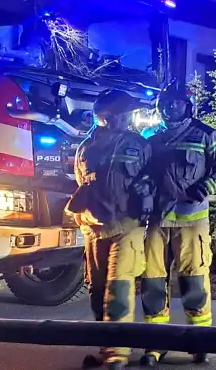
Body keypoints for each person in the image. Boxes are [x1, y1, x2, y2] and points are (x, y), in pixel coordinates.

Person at [140, 81, 216, 367]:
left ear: (187, 106)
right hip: (156, 221)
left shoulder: (206, 134)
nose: (172, 108)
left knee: (194, 279)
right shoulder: (148, 136)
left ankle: (199, 341)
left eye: (178, 103)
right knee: (153, 280)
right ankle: (155, 343)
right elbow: (138, 171)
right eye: (167, 103)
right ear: (160, 107)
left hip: (191, 221)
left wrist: (206, 187)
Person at [66, 89, 153, 370]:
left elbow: (151, 178)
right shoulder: (85, 148)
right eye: (122, 113)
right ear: (105, 117)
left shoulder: (138, 145)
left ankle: (117, 353)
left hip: (126, 227)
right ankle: (106, 348)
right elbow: (81, 182)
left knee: (119, 287)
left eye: (128, 113)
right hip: (93, 228)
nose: (127, 119)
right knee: (97, 289)